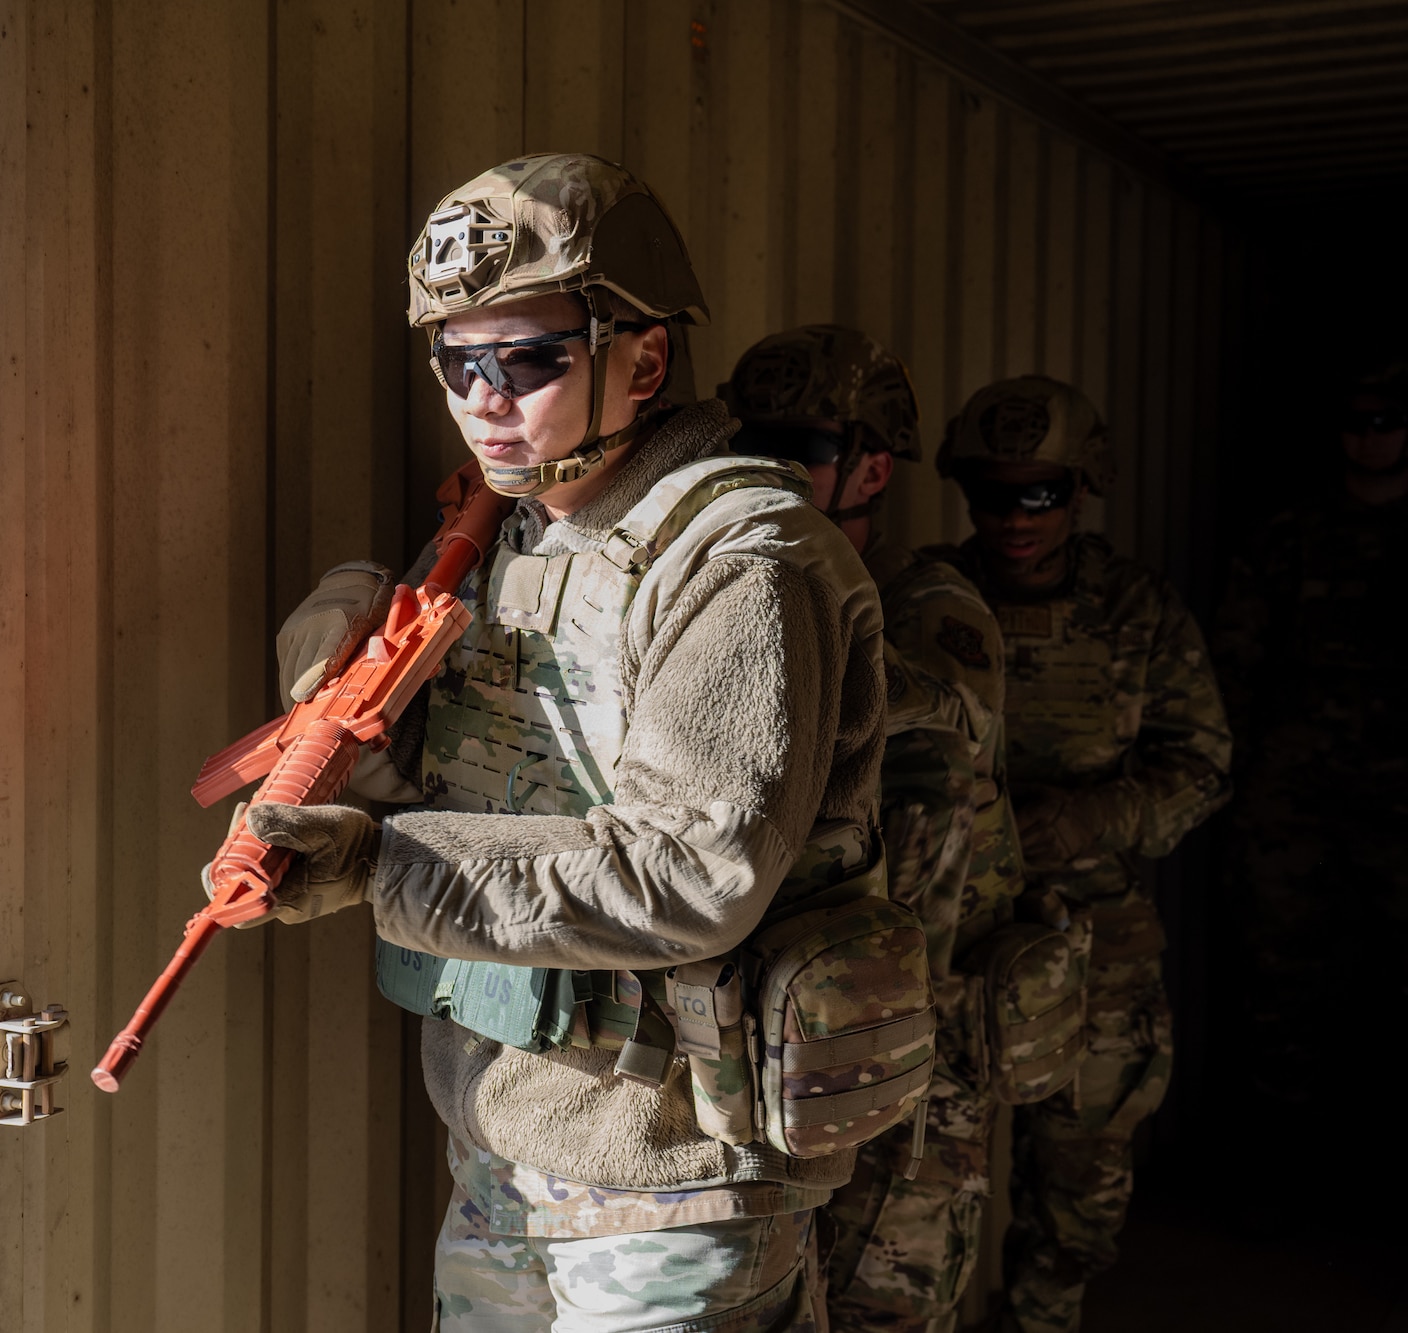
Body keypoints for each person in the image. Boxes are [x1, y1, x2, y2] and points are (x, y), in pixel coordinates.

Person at [229, 153, 927, 1330]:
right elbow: (473, 791)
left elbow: (689, 875)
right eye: (456, 361)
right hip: (505, 1145)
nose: (483, 397)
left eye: (528, 359)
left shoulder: (740, 561)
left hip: (675, 1185)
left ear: (643, 358)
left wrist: (377, 866)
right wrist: (343, 705)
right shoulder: (514, 537)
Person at [723, 327, 1028, 1333]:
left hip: (908, 1060)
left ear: (872, 467)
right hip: (792, 1054)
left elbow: (920, 715)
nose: (770, 471)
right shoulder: (749, 587)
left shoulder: (926, 605)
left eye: (800, 449)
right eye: (752, 444)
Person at [928, 376, 1231, 1333]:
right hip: (948, 943)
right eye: (992, 493)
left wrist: (1091, 820)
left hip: (1093, 946)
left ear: (1082, 490)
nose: (1014, 518)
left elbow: (1202, 764)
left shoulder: (1136, 610)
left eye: (1041, 495)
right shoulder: (927, 597)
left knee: (1077, 1203)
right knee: (923, 1199)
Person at [1212, 362, 1408, 1211]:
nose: (1372, 434)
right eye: (1358, 419)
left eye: (1388, 418)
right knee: (1282, 990)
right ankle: (1280, 1177)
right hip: (1293, 806)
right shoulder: (1289, 535)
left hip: (1402, 810)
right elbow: (1235, 673)